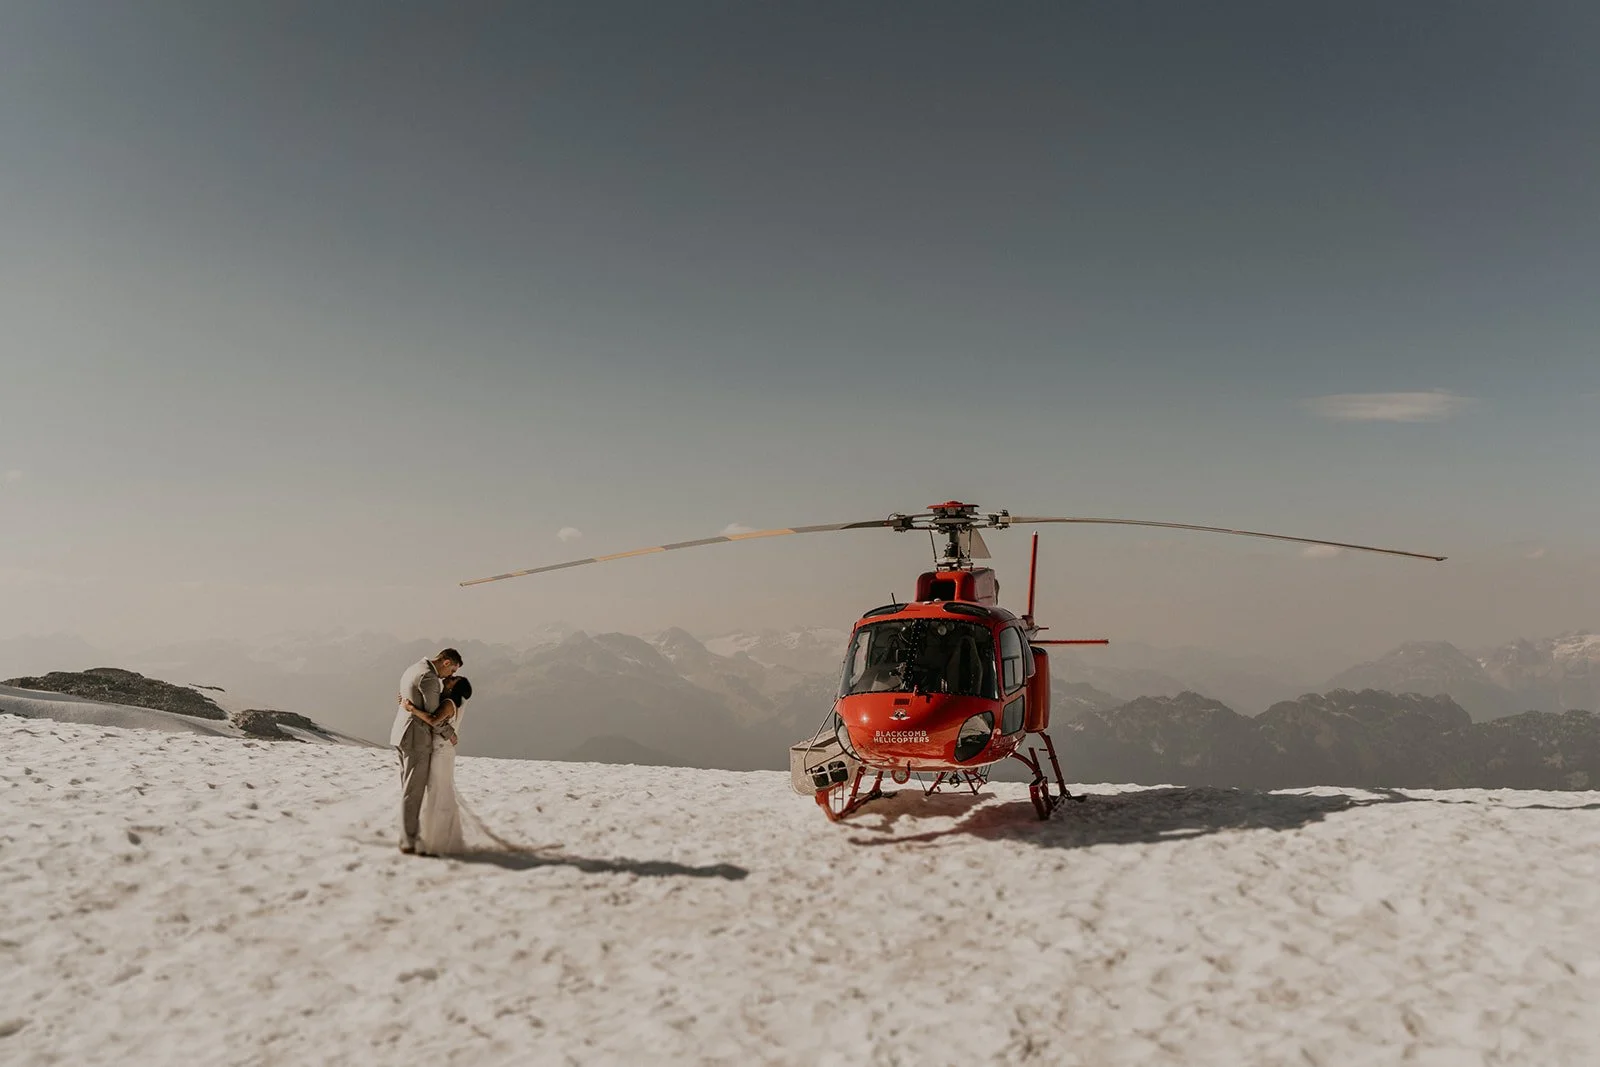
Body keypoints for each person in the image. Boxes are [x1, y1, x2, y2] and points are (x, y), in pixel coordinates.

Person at [390, 648, 463, 854]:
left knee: (408, 787)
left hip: (402, 734)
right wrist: (450, 733)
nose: (450, 676)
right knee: (413, 791)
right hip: (415, 738)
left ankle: (410, 834)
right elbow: (434, 716)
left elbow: (405, 699)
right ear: (446, 662)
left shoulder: (413, 668)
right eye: (452, 670)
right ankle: (409, 840)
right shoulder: (429, 678)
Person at [409, 675, 472, 857]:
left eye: (454, 679)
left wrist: (412, 708)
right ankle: (442, 837)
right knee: (442, 792)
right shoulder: (453, 703)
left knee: (435, 792)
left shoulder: (448, 703)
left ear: (454, 687)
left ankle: (434, 840)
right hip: (445, 751)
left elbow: (434, 720)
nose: (450, 677)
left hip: (439, 751)